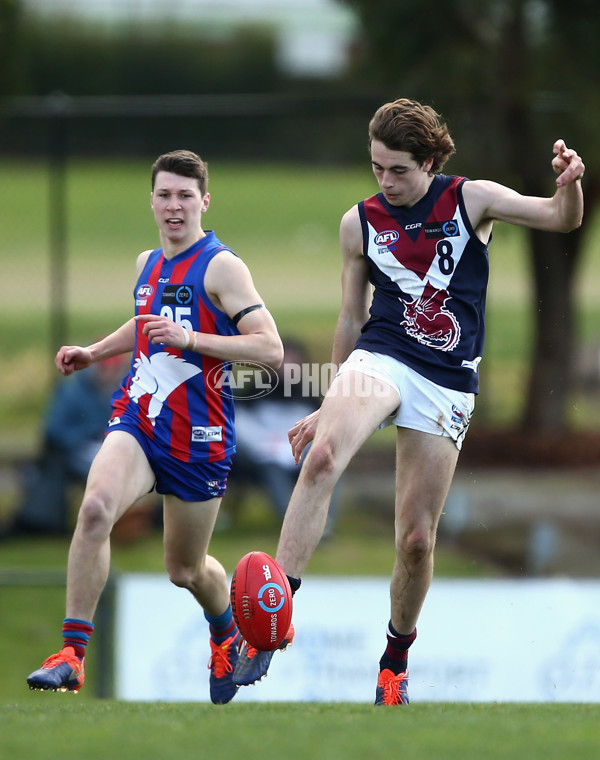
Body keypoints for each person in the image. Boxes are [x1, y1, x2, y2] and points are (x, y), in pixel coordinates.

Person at [232, 98, 585, 705]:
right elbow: (349, 314)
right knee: (321, 458)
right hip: (381, 355)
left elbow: (560, 219)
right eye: (377, 168)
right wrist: (331, 399)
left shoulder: (471, 199)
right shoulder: (359, 223)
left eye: (398, 170)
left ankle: (395, 658)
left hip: (446, 379)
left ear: (428, 162)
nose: (386, 181)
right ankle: (272, 621)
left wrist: (571, 186)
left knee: (416, 541)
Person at [26, 149, 283, 704]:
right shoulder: (148, 262)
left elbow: (271, 348)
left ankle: (225, 634)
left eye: (185, 196)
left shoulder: (222, 267)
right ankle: (71, 655)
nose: (174, 206)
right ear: (151, 201)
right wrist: (94, 352)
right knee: (95, 508)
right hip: (140, 418)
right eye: (165, 195)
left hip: (201, 437)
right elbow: (147, 322)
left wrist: (192, 340)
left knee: (185, 569)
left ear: (204, 202)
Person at [5, 355, 128, 537]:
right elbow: (53, 430)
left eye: (112, 369)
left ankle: (123, 521)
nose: (108, 373)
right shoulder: (72, 392)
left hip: (98, 449)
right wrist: (88, 436)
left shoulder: (117, 391)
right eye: (104, 368)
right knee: (105, 471)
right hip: (70, 453)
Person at [227, 338, 340, 535]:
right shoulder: (253, 392)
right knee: (273, 469)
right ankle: (295, 527)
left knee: (331, 465)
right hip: (262, 458)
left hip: (300, 455)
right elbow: (239, 424)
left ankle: (323, 524)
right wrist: (264, 445)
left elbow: (322, 430)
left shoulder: (309, 396)